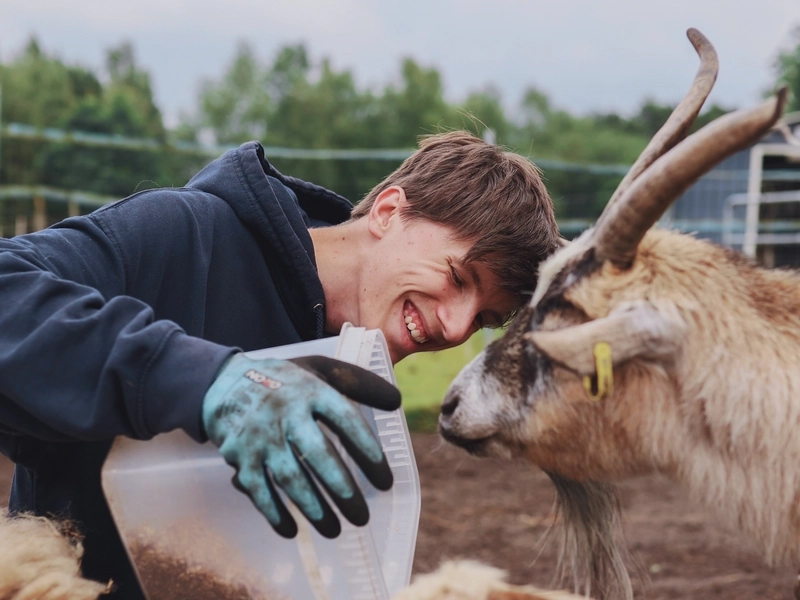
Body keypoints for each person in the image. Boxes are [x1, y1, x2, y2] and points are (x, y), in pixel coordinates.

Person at [0, 130, 559, 598]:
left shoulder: (352, 375)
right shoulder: (185, 235)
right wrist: (204, 380)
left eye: (484, 318)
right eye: (459, 278)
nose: (457, 328)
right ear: (390, 211)